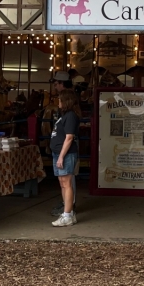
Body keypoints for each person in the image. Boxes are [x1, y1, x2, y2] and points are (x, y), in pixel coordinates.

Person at [50, 89, 80, 227]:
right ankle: (68, 212)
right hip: (59, 153)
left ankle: (67, 215)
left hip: (65, 154)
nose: (58, 102)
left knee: (66, 183)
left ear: (66, 101)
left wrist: (61, 156)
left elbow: (69, 138)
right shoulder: (64, 115)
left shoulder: (71, 116)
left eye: (60, 99)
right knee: (63, 183)